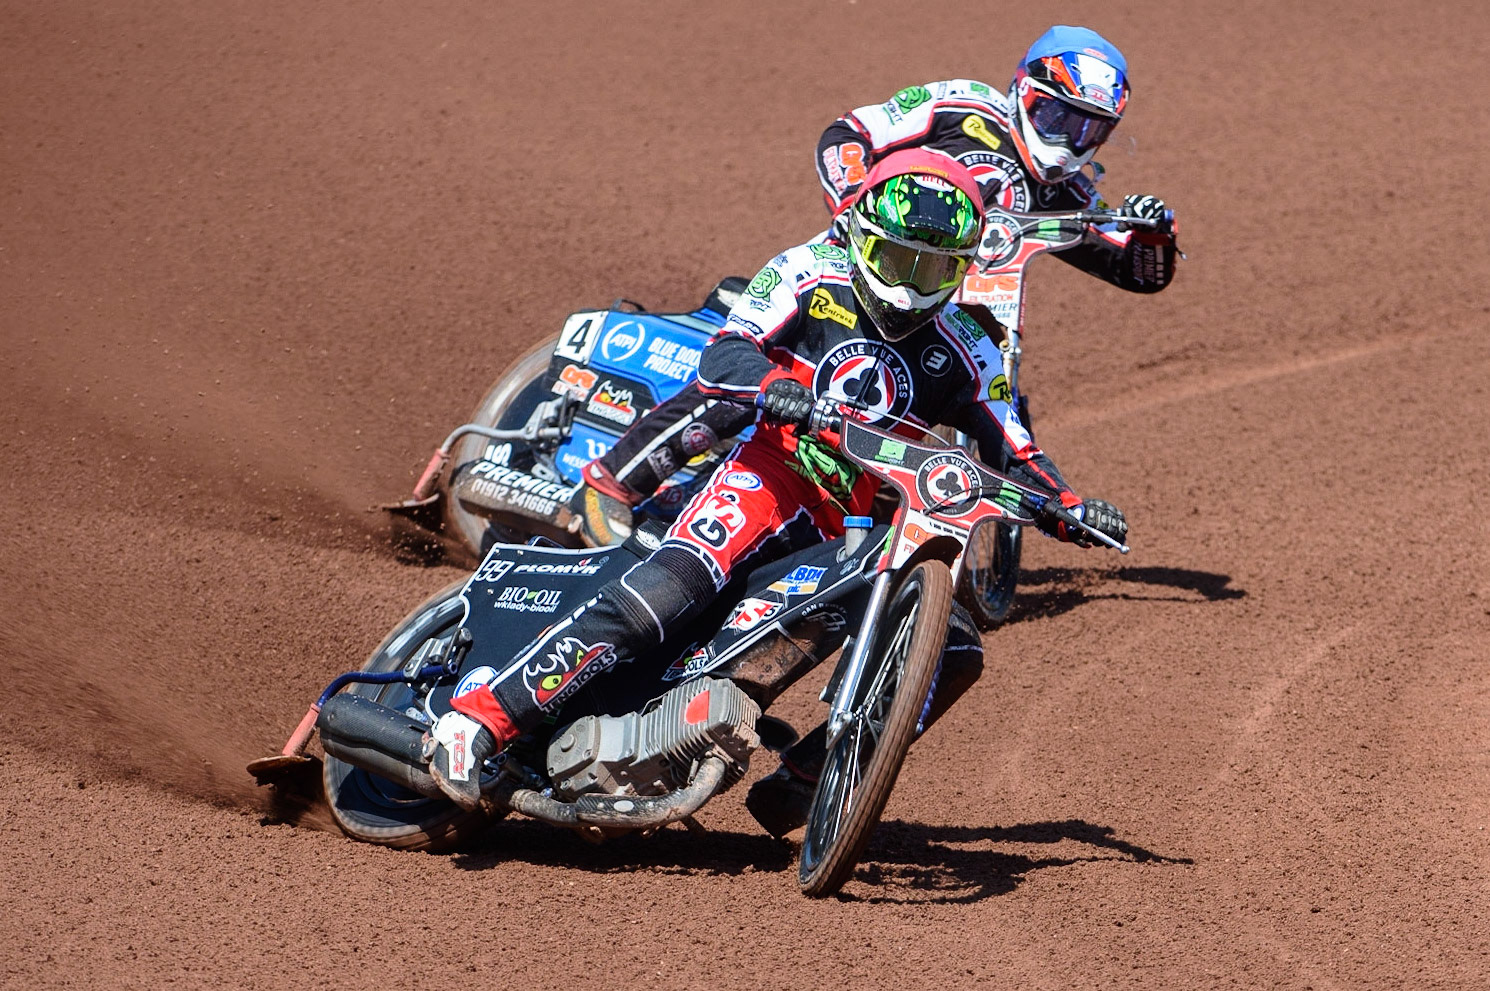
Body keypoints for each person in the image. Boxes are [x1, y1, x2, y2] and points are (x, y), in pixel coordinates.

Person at [425, 150, 1130, 835]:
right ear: (863, 239)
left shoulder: (969, 346)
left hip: (859, 523)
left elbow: (1017, 448)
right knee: (668, 591)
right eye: (899, 259)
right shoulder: (808, 270)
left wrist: (1070, 510)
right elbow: (727, 351)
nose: (914, 283)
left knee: (956, 650)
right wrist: (777, 388)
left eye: (936, 267)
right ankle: (479, 718)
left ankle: (807, 778)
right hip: (766, 472)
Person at [567, 24, 1175, 547]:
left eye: (1089, 130)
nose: (1069, 141)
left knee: (941, 414)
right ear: (1023, 92)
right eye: (1056, 116)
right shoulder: (961, 106)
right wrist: (857, 206)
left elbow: (1137, 271)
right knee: (775, 378)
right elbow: (846, 134)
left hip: (954, 316)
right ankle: (617, 478)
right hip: (864, 269)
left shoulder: (1070, 196)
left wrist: (1154, 235)